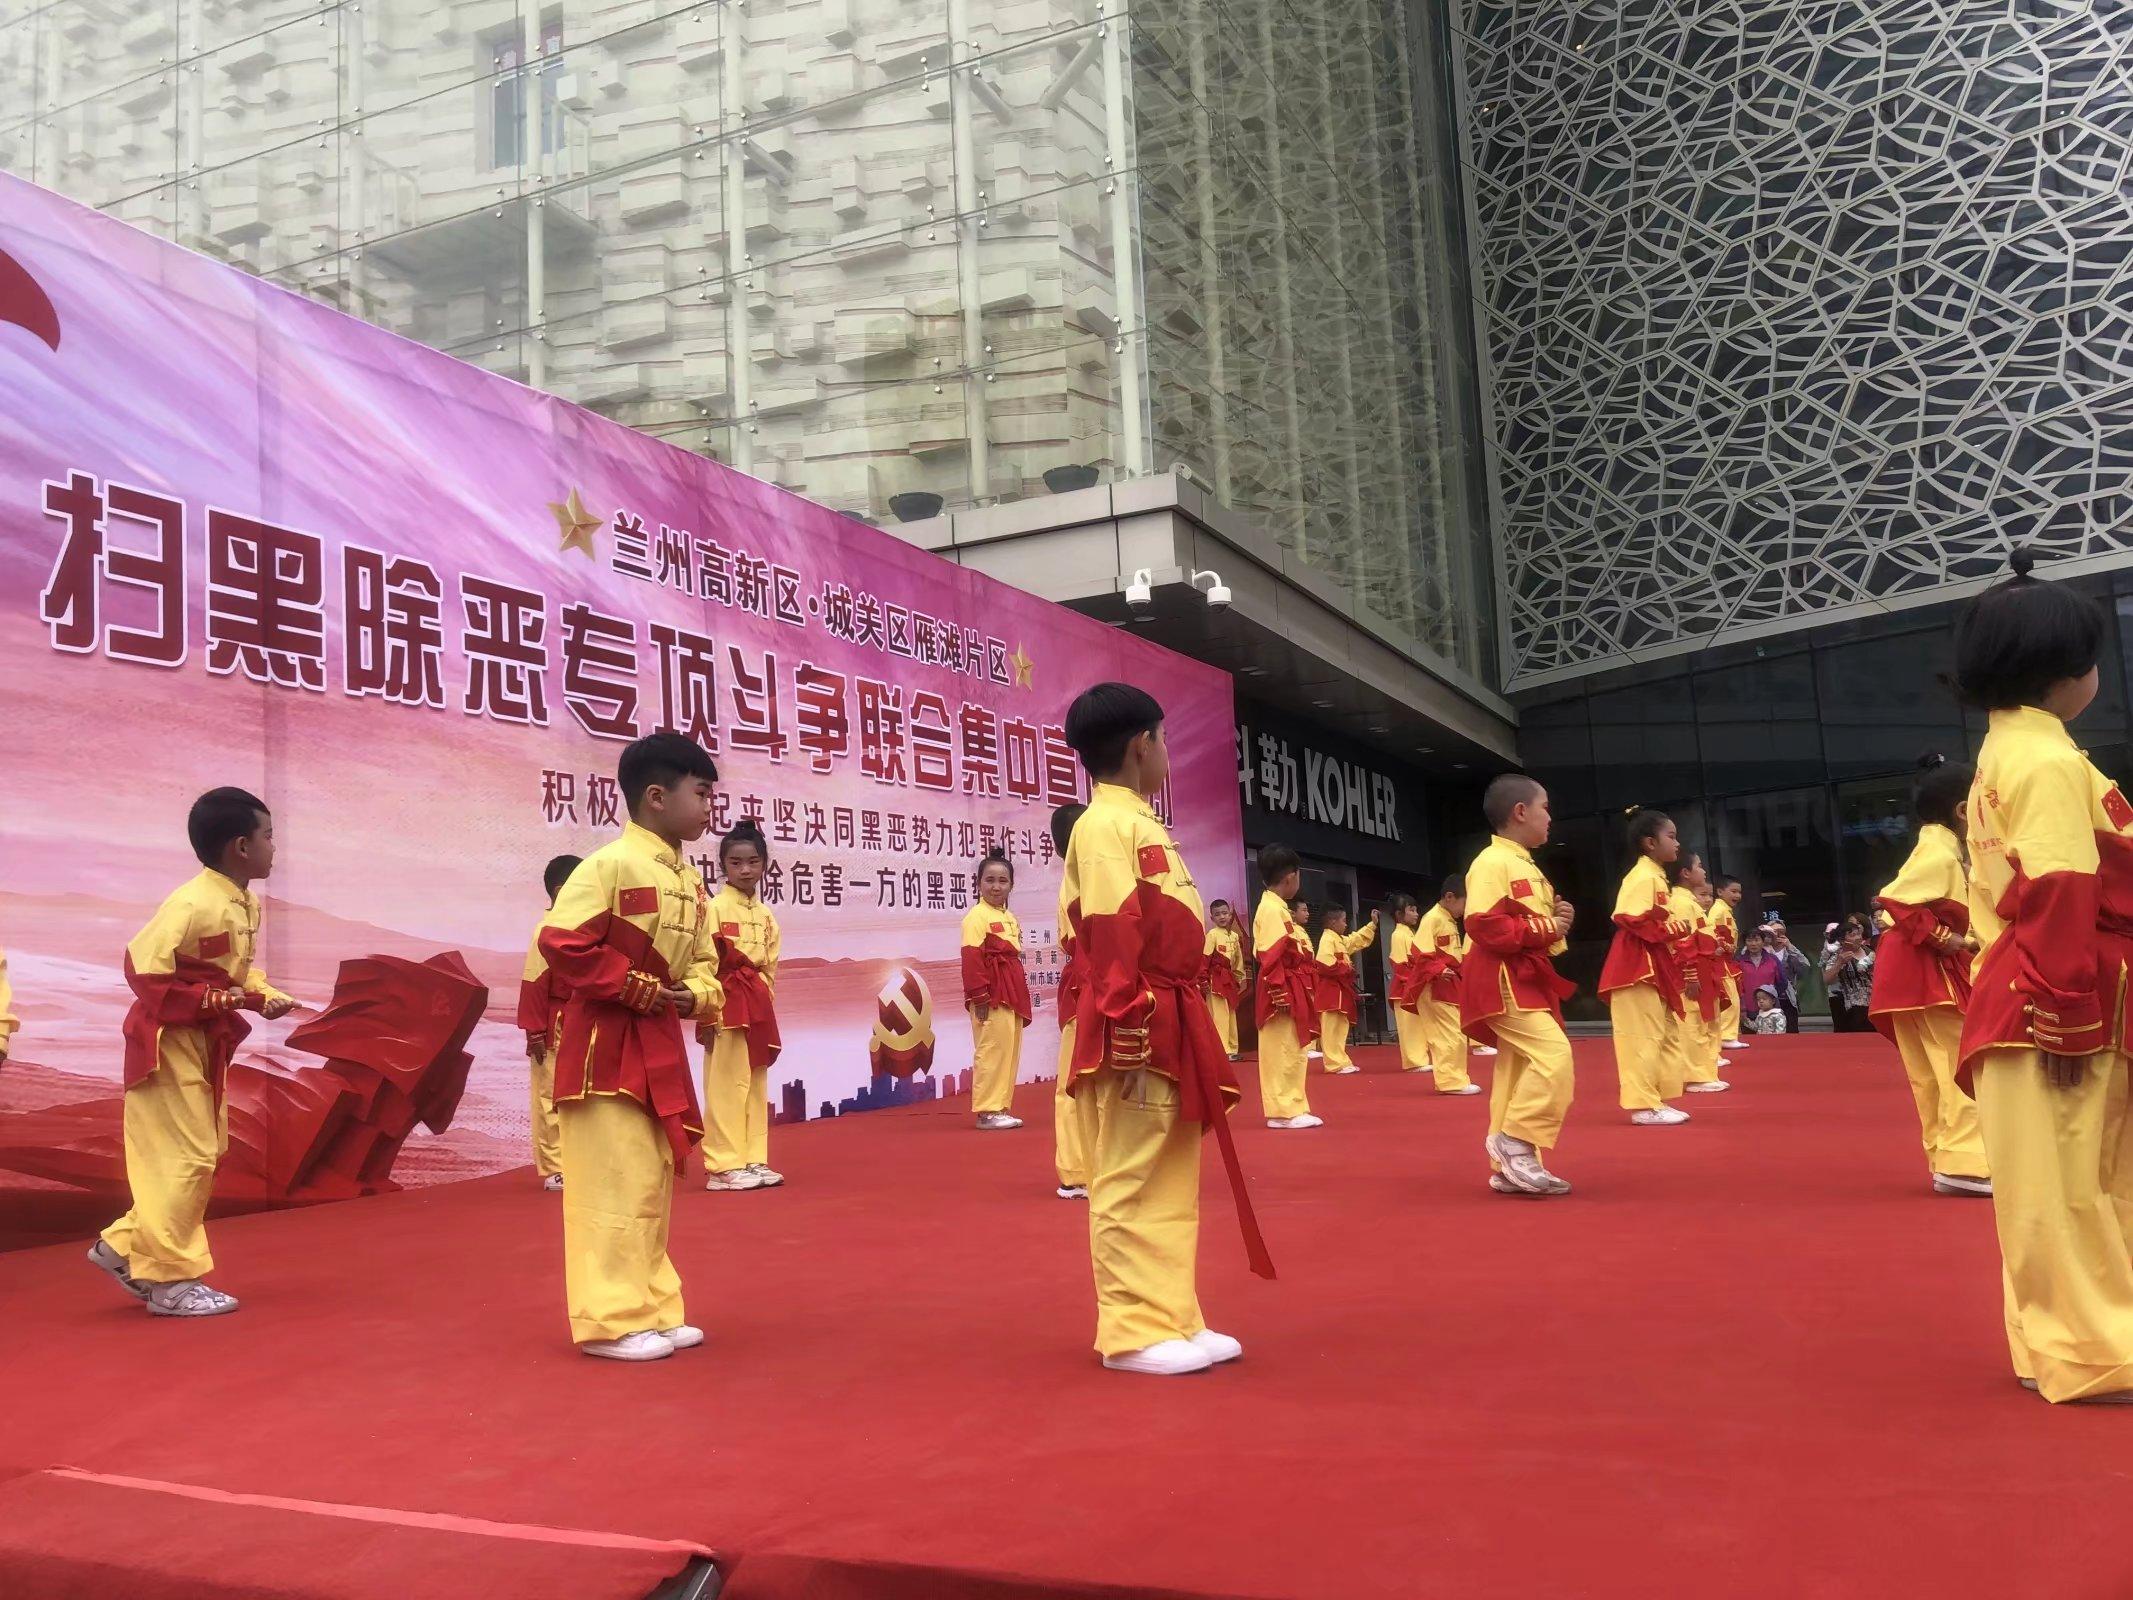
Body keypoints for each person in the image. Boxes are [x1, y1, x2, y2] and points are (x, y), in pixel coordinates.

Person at [1953, 548, 2133, 1403]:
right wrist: (2065, 1014)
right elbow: (2060, 889)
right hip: (2056, 995)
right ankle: (2092, 1351)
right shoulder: (2048, 762)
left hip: (2029, 987)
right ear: (2064, 672)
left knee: (2057, 1186)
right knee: (2072, 1187)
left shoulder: (2008, 752)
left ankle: (2053, 1342)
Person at [1058, 682, 1271, 1376]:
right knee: (1129, 1172)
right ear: (1141, 744)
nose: (1167, 752)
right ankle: (1130, 1330)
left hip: (1170, 1008)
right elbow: (1109, 928)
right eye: (1164, 738)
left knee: (1171, 1173)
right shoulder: (1103, 825)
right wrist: (1128, 1015)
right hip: (1142, 1013)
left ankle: (1174, 1313)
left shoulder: (1140, 822)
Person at [535, 732, 723, 1362]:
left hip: (657, 1041)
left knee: (650, 1180)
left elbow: (706, 965)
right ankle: (609, 1320)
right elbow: (560, 940)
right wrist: (634, 985)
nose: (708, 808)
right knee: (611, 1186)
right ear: (656, 796)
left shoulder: (691, 882)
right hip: (602, 1048)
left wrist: (696, 996)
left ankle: (654, 1307)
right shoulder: (608, 865)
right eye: (701, 794)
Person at [88, 788, 296, 1318]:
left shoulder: (242, 902)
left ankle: (122, 1246)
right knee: (186, 1159)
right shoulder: (191, 903)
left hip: (202, 1044)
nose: (275, 847)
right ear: (241, 846)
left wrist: (260, 993)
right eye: (269, 836)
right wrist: (222, 1000)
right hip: (166, 1046)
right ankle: (171, 1282)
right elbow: (144, 969)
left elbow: (230, 973)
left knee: (204, 1152)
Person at [1871, 755, 1989, 1198]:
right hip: (1928, 969)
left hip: (1907, 972)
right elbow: (1895, 899)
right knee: (1960, 1065)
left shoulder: (1933, 848)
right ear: (1962, 810)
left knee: (1929, 1072)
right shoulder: (1941, 853)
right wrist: (1947, 938)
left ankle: (1947, 1158)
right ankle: (1966, 1164)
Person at [1460, 774, 1579, 1195]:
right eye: (1545, 808)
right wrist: (1548, 925)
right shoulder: (1492, 862)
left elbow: (1531, 928)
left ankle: (1508, 1164)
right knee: (1554, 1056)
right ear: (1521, 812)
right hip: (1504, 978)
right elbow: (1482, 924)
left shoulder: (1523, 864)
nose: (1550, 817)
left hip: (1522, 975)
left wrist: (1556, 921)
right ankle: (1516, 1142)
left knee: (1517, 1069)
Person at [701, 819, 785, 1192]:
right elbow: (703, 964)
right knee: (725, 1085)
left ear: (765, 864)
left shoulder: (767, 916)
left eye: (753, 861)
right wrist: (707, 1014)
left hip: (757, 1004)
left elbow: (771, 968)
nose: (745, 870)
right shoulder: (714, 909)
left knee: (754, 1081)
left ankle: (753, 1158)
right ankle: (723, 1166)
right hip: (725, 1003)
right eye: (736, 863)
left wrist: (763, 1001)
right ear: (723, 865)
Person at [1598, 809, 1692, 1127]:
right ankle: (1645, 1104)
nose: (1677, 843)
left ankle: (1655, 1099)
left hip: (1650, 964)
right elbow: (1629, 917)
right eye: (1671, 836)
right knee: (1642, 1036)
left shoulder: (1654, 876)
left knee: (1662, 1032)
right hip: (1636, 966)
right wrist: (1675, 929)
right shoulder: (1643, 877)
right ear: (1650, 843)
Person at [517, 853, 582, 1192]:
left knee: (580, 1097)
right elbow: (534, 982)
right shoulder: (547, 931)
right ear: (560, 890)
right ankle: (557, 1168)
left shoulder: (587, 928)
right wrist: (535, 1032)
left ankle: (580, 1161)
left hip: (583, 1023)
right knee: (551, 1096)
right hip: (554, 1026)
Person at [962, 848, 1032, 1131]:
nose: (996, 886)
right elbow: (971, 959)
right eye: (989, 880)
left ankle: (1000, 1107)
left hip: (1010, 992)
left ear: (1011, 885)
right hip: (991, 995)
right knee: (991, 1050)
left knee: (1007, 1051)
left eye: (1003, 881)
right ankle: (988, 1112)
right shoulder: (975, 917)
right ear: (978, 883)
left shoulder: (1010, 917)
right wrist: (979, 997)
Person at [1254, 846, 1323, 1128]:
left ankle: (1293, 1105)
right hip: (1281, 988)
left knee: (1293, 1048)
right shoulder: (1272, 909)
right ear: (1291, 877)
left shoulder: (1278, 907)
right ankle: (1282, 1111)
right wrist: (1279, 993)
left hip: (1291, 984)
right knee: (1281, 1049)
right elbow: (1270, 956)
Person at [1051, 801, 1093, 1199]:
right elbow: (1075, 941)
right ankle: (1075, 1171)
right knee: (1074, 1081)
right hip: (1086, 987)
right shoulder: (1073, 880)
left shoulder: (1095, 874)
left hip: (1105, 984)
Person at [1413, 878, 1479, 1094]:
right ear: (1450, 897)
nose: (1465, 909)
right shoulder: (1433, 918)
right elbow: (1419, 951)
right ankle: (1451, 1081)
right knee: (1448, 1034)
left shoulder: (1447, 919)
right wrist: (1438, 969)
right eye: (1464, 903)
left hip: (1447, 984)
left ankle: (1454, 1079)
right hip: (1435, 985)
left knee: (1454, 1033)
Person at [1677, 863, 1730, 1093]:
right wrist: (1690, 974)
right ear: (1685, 873)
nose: (1704, 870)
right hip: (1693, 969)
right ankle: (1694, 1076)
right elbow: (1684, 942)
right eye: (1698, 865)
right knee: (1692, 1022)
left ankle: (1704, 1071)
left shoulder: (1689, 902)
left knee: (1703, 1020)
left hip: (1705, 967)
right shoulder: (1681, 903)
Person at [1312, 903, 1379, 1075]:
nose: (1346, 924)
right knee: (1331, 1029)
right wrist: (1346, 968)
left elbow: (1355, 940)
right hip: (1330, 991)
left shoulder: (1338, 939)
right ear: (1333, 922)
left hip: (1339, 991)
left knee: (1340, 1028)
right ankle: (1333, 1064)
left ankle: (1340, 1061)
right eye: (1343, 920)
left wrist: (1372, 924)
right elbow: (1324, 964)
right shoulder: (1327, 939)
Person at [1201, 899, 1248, 1062]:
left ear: (1230, 914)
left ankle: (1233, 1048)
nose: (1222, 917)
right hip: (1215, 981)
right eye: (1217, 914)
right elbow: (1204, 959)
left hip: (1229, 981)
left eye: (1224, 913)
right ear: (1212, 918)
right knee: (1219, 1016)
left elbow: (1238, 961)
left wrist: (1238, 978)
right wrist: (1203, 980)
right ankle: (1223, 1051)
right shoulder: (1212, 935)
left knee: (1231, 1015)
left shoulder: (1235, 936)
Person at [1823, 915, 1877, 1033]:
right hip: (1854, 1008)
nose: (1858, 938)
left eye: (1858, 934)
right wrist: (1839, 963)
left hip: (1875, 1005)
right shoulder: (1837, 957)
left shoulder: (1869, 951)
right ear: (1843, 940)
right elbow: (1827, 980)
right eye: (1852, 935)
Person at [1712, 874, 1748, 1049]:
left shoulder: (1725, 910)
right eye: (1733, 891)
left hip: (1726, 960)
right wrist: (1723, 946)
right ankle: (1725, 1036)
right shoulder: (1718, 910)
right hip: (1720, 960)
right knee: (1729, 998)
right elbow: (1710, 932)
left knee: (1732, 997)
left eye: (1739, 892)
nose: (1737, 895)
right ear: (1720, 891)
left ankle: (1727, 1035)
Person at [1762, 919, 1813, 1033]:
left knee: (1791, 1032)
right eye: (1774, 931)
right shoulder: (1763, 951)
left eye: (1781, 931)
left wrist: (1790, 946)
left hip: (1787, 997)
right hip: (1767, 998)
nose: (1777, 934)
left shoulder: (1790, 951)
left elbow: (1805, 967)